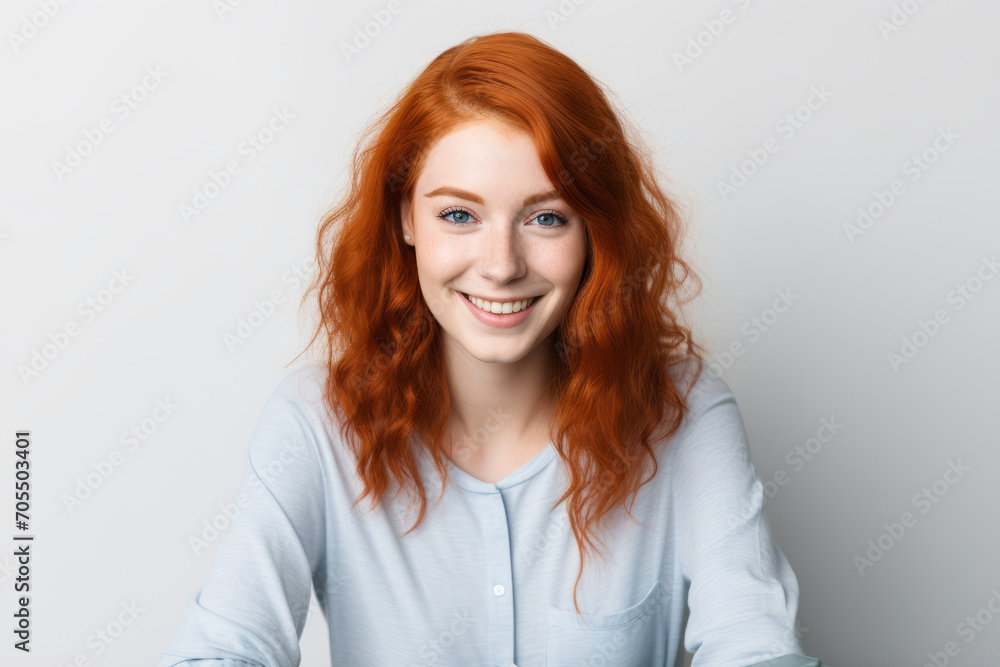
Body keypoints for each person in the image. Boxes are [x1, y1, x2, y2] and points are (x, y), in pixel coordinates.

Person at [158, 30, 823, 667]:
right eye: (459, 215)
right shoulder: (314, 423)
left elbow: (753, 642)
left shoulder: (685, 412)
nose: (501, 265)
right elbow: (222, 648)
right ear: (405, 219)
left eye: (546, 217)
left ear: (596, 232)